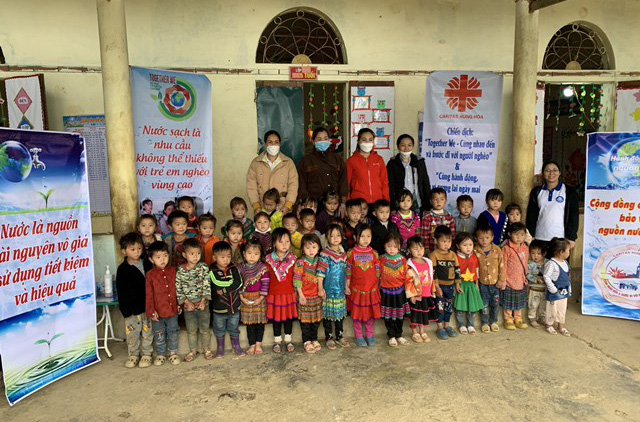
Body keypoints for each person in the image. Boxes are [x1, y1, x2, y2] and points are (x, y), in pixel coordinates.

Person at [116, 233, 153, 368]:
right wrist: (125, 310)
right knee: (132, 333)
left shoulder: (147, 263)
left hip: (147, 306)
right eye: (132, 249)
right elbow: (121, 291)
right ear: (124, 251)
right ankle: (133, 355)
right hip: (131, 309)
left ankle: (147, 354)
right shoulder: (123, 269)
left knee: (147, 332)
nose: (137, 252)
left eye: (139, 248)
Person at [526, 161, 580, 249]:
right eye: (547, 170)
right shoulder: (537, 191)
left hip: (560, 239)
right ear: (543, 173)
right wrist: (530, 234)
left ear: (559, 173)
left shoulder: (569, 191)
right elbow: (531, 215)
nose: (551, 173)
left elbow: (573, 216)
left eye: (555, 170)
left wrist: (571, 237)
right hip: (539, 237)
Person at [175, 239, 212, 362]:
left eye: (198, 253)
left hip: (203, 304)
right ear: (184, 255)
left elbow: (206, 284)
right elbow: (178, 288)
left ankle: (206, 349)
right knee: (191, 330)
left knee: (204, 329)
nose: (196, 256)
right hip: (188, 306)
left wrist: (203, 301)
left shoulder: (203, 267)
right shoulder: (181, 270)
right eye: (192, 254)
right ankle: (193, 351)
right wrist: (186, 302)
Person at [297, 126, 348, 213]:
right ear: (313, 141)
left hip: (334, 205)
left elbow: (343, 182)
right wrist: (303, 202)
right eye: (319, 139)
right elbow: (301, 184)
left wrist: (343, 203)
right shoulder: (306, 161)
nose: (323, 141)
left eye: (325, 138)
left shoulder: (337, 159)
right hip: (314, 205)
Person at [145, 241, 180, 366]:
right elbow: (149, 294)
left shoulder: (174, 271)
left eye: (165, 256)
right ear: (151, 259)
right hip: (158, 311)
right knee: (159, 333)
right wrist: (151, 311)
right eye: (158, 257)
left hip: (172, 309)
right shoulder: (150, 275)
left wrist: (179, 304)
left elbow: (178, 289)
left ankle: (173, 353)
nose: (163, 259)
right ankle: (160, 354)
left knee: (173, 331)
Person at [247, 130, 298, 215]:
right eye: (270, 142)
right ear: (265, 144)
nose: (273, 145)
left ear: (280, 144)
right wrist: (256, 206)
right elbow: (251, 186)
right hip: (262, 208)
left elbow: (293, 185)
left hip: (282, 209)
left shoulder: (288, 163)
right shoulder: (256, 163)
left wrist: (288, 205)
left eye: (276, 142)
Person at [346, 225, 381, 347]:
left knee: (369, 315)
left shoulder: (374, 253)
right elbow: (348, 271)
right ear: (355, 237)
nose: (366, 239)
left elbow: (378, 271)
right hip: (357, 289)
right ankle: (359, 336)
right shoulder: (351, 253)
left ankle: (370, 335)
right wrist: (347, 285)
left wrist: (377, 284)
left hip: (371, 289)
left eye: (368, 236)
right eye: (362, 236)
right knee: (357, 315)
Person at [265, 228, 298, 353]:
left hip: (289, 293)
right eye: (281, 242)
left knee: (289, 318)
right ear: (274, 243)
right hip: (274, 294)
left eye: (287, 241)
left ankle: (288, 339)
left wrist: (297, 292)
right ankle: (277, 341)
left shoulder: (293, 259)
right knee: (276, 318)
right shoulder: (268, 260)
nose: (284, 245)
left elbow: (297, 277)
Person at [208, 241, 244, 358]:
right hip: (219, 308)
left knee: (234, 328)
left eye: (228, 256)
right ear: (214, 258)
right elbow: (217, 283)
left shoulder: (233, 268)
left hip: (234, 307)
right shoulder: (212, 271)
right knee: (219, 329)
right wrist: (230, 282)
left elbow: (239, 283)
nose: (226, 260)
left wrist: (224, 290)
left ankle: (236, 346)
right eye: (222, 257)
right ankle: (220, 348)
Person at [317, 224, 349, 350]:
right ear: (327, 238)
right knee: (328, 315)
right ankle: (329, 337)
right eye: (332, 236)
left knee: (339, 314)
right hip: (328, 290)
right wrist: (320, 288)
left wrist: (346, 286)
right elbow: (320, 273)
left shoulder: (343, 254)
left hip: (340, 290)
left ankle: (339, 335)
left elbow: (345, 272)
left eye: (338, 235)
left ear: (342, 237)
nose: (335, 238)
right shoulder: (324, 254)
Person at [379, 232, 411, 347]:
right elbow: (378, 274)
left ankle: (399, 335)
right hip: (386, 291)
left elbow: (406, 276)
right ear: (384, 246)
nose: (392, 249)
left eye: (395, 246)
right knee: (388, 314)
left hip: (399, 291)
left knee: (399, 314)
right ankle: (391, 335)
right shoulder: (382, 259)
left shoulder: (403, 259)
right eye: (389, 246)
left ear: (399, 246)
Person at [238, 240, 270, 355]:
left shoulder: (262, 268)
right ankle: (252, 344)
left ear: (260, 255)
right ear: (244, 254)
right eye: (249, 253)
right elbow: (238, 284)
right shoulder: (240, 268)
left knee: (260, 323)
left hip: (259, 298)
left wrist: (260, 298)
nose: (252, 256)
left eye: (256, 254)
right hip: (245, 298)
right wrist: (241, 297)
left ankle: (258, 344)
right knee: (249, 323)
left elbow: (265, 284)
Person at [430, 225, 461, 340]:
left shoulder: (453, 255)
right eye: (443, 241)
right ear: (436, 241)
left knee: (448, 307)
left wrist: (457, 284)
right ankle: (440, 328)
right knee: (440, 307)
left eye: (449, 241)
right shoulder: (434, 255)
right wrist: (436, 287)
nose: (447, 244)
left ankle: (447, 326)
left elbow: (457, 269)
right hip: (440, 286)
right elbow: (433, 272)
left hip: (451, 286)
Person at [294, 234, 324, 354]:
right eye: (307, 248)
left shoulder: (320, 261)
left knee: (316, 320)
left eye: (314, 247)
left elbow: (323, 277)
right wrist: (300, 295)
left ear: (319, 247)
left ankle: (314, 338)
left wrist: (322, 290)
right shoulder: (300, 262)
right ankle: (306, 340)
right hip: (304, 296)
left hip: (316, 296)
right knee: (305, 321)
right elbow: (297, 279)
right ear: (302, 248)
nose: (311, 250)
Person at [386, 134, 431, 212]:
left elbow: (425, 183)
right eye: (403, 145)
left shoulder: (419, 162)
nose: (406, 148)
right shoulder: (392, 163)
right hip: (400, 203)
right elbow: (390, 186)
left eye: (409, 145)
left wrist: (428, 205)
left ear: (413, 146)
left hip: (417, 202)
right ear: (398, 147)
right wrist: (392, 206)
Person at [405, 236, 436, 343]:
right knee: (415, 314)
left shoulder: (428, 262)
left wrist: (433, 290)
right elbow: (408, 281)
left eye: (421, 248)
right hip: (416, 294)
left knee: (423, 313)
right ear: (409, 250)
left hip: (426, 294)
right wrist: (411, 295)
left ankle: (422, 331)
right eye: (415, 248)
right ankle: (414, 332)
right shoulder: (409, 265)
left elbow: (431, 277)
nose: (419, 251)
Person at [346, 128, 389, 203]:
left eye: (370, 139)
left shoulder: (379, 159)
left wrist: (386, 200)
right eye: (364, 139)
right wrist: (348, 201)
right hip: (358, 203)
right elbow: (346, 184)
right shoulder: (351, 161)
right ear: (358, 141)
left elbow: (384, 182)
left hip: (378, 203)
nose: (367, 142)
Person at [474, 226, 505, 333]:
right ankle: (485, 323)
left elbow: (502, 266)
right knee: (484, 304)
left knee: (495, 304)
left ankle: (494, 322)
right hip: (482, 283)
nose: (484, 240)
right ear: (476, 238)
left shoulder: (497, 250)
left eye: (487, 238)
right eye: (481, 238)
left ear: (492, 237)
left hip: (495, 283)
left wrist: (501, 280)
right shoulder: (475, 250)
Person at [500, 223, 530, 330]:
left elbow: (525, 262)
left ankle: (518, 318)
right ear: (509, 234)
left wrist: (525, 276)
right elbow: (503, 265)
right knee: (508, 301)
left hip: (521, 279)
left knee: (518, 300)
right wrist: (502, 279)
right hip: (509, 279)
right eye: (516, 234)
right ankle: (508, 319)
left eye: (522, 235)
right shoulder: (506, 248)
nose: (519, 237)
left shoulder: (525, 247)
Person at [452, 232, 484, 335]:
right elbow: (454, 272)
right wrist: (456, 284)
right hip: (461, 284)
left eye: (470, 245)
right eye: (464, 245)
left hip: (471, 285)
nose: (468, 247)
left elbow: (477, 270)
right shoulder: (456, 257)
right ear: (458, 246)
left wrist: (477, 283)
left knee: (472, 306)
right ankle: (461, 325)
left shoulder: (474, 257)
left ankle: (470, 325)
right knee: (460, 307)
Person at [543, 237, 573, 336]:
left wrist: (569, 288)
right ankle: (549, 325)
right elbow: (546, 276)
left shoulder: (565, 263)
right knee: (552, 309)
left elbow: (568, 277)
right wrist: (552, 289)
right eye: (568, 250)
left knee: (562, 309)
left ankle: (561, 326)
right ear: (561, 252)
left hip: (564, 292)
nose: (569, 252)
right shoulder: (551, 264)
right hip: (554, 293)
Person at [421, 188, 456, 252]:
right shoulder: (427, 217)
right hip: (432, 249)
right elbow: (424, 236)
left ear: (446, 201)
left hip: (446, 250)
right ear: (431, 201)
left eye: (441, 199)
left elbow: (452, 234)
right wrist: (426, 249)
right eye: (435, 199)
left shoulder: (449, 216)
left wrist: (452, 248)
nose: (439, 202)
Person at [527, 240, 548, 328]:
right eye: (533, 253)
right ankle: (532, 318)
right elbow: (527, 274)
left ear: (544, 253)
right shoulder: (530, 263)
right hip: (534, 288)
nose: (535, 256)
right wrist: (535, 279)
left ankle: (541, 317)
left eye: (539, 254)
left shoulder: (547, 262)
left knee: (543, 304)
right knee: (533, 304)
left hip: (544, 289)